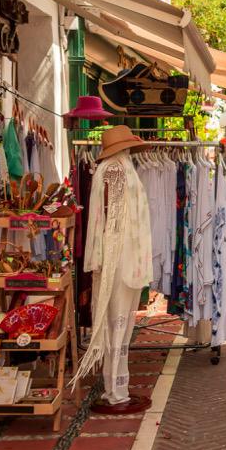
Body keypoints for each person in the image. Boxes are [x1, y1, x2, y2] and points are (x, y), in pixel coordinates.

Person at [74, 125, 151, 413]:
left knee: (118, 324)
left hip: (122, 258)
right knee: (117, 323)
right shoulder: (116, 171)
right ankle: (116, 390)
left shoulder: (116, 168)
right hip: (119, 259)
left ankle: (117, 386)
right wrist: (113, 262)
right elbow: (114, 220)